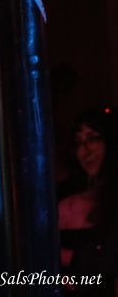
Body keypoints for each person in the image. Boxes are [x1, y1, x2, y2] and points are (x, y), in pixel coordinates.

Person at [57, 110, 118, 295]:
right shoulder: (66, 194)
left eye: (92, 139)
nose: (85, 149)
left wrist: (69, 257)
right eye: (79, 142)